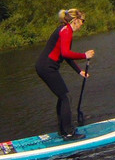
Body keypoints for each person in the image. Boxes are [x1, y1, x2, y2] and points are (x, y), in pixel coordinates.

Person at [35, 8, 95, 140]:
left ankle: (63, 131)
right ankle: (68, 132)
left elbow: (66, 55)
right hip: (47, 67)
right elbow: (66, 53)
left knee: (63, 97)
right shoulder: (66, 31)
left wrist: (79, 71)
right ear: (76, 20)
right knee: (66, 97)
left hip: (46, 67)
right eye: (82, 21)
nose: (83, 24)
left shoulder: (65, 30)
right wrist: (84, 55)